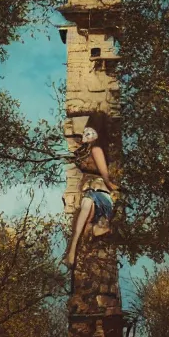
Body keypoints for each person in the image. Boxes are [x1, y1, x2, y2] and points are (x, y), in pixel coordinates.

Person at [63, 111, 116, 269]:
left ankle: (72, 251)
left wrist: (115, 188)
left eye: (91, 132)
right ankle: (98, 229)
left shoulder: (97, 150)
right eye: (86, 131)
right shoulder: (84, 152)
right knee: (85, 227)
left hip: (101, 196)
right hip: (94, 197)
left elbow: (106, 177)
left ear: (98, 136)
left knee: (86, 202)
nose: (87, 134)